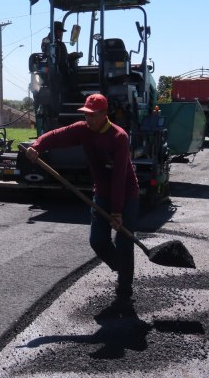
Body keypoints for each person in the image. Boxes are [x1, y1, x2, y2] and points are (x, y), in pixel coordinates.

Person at [25, 93, 139, 314]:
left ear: (104, 114)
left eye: (93, 115)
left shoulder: (119, 137)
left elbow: (118, 178)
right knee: (98, 241)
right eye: (86, 115)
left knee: (125, 241)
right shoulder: (83, 130)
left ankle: (124, 290)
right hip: (102, 193)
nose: (88, 120)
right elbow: (58, 135)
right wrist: (38, 145)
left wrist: (117, 212)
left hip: (126, 193)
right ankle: (123, 269)